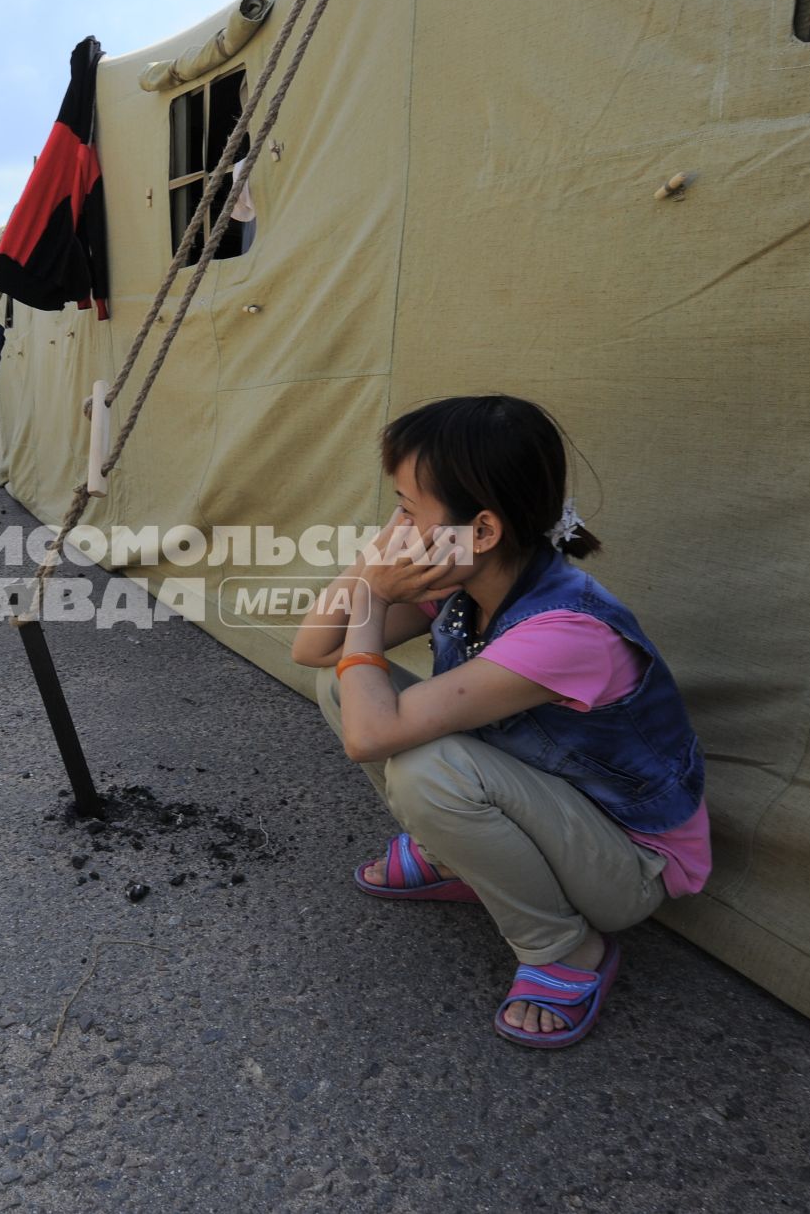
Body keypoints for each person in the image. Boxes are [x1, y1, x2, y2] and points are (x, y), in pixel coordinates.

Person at [292, 395, 710, 1049]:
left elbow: (369, 739)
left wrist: (374, 590)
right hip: (552, 809)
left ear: (481, 531)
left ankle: (566, 949)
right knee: (343, 683)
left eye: (406, 509)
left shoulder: (566, 632)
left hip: (628, 866)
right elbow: (314, 649)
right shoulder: (471, 586)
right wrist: (372, 565)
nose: (394, 528)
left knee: (427, 765)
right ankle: (450, 854)